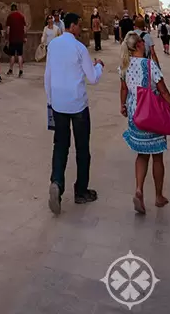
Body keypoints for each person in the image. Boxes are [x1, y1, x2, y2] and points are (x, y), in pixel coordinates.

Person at [45, 12, 104, 213]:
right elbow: (92, 78)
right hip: (77, 104)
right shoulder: (79, 48)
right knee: (82, 148)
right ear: (72, 26)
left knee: (60, 145)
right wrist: (99, 67)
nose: (80, 28)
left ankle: (57, 183)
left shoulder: (53, 45)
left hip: (58, 103)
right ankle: (81, 191)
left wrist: (50, 100)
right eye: (79, 25)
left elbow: (48, 74)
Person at [119, 31, 170, 214]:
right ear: (138, 45)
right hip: (152, 114)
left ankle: (139, 190)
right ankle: (159, 196)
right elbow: (164, 91)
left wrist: (122, 106)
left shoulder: (125, 66)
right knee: (157, 155)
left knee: (142, 154)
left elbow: (123, 89)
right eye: (143, 43)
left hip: (135, 114)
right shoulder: (149, 65)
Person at [5, 3, 27, 78]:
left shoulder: (9, 17)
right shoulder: (21, 16)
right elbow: (24, 28)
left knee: (12, 55)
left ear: (11, 9)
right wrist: (24, 37)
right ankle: (21, 70)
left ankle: (11, 69)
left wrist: (7, 39)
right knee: (20, 55)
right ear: (16, 9)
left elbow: (8, 29)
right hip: (20, 39)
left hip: (12, 39)